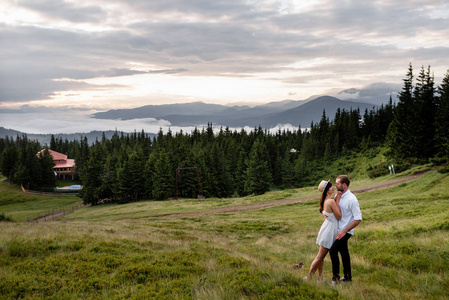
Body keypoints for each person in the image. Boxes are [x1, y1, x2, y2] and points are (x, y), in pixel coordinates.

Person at [305, 180, 341, 281]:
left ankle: (319, 278)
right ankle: (309, 277)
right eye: (330, 187)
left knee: (321, 257)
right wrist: (337, 201)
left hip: (326, 229)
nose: (333, 187)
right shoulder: (330, 201)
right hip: (329, 231)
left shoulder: (325, 201)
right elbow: (339, 216)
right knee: (319, 257)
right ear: (326, 190)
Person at [330, 175, 362, 285]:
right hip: (338, 229)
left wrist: (344, 231)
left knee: (333, 250)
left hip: (346, 231)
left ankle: (335, 278)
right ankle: (348, 277)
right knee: (344, 253)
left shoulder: (352, 199)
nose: (335, 185)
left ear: (344, 185)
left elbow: (358, 219)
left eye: (337, 183)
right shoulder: (339, 195)